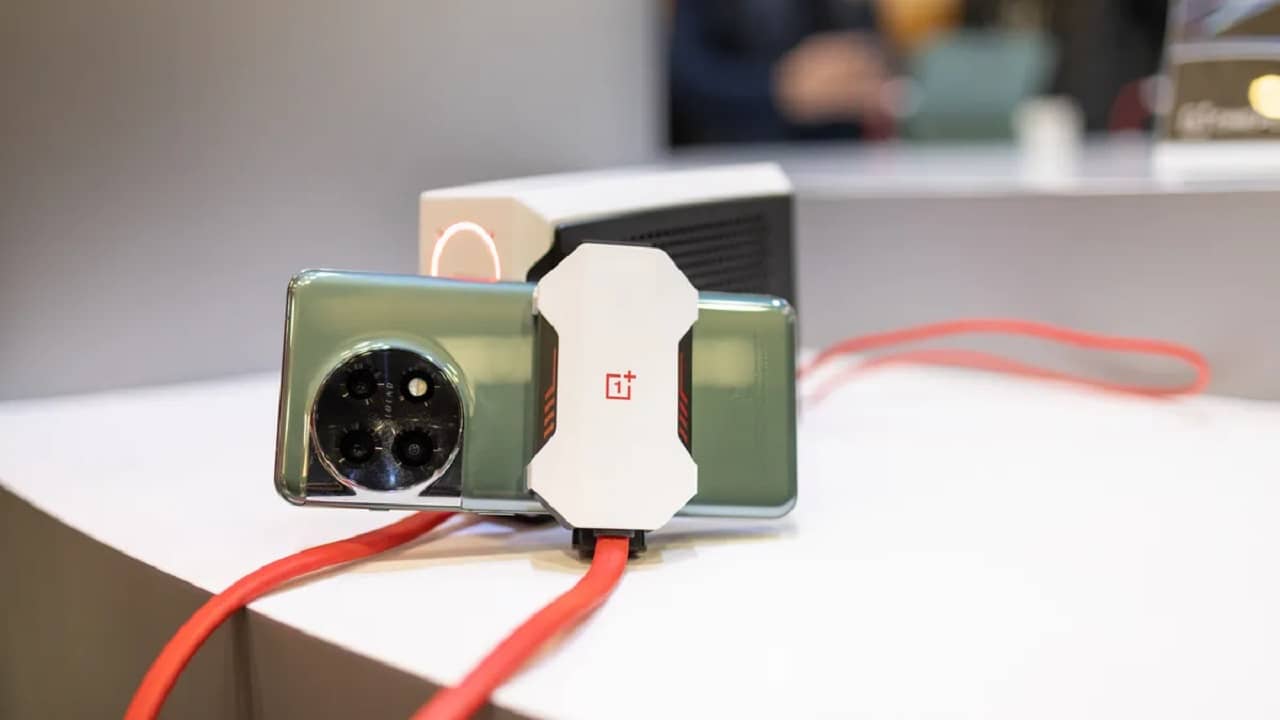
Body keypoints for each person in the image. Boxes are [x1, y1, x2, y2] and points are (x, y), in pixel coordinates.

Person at [668, 0, 893, 144]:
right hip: (724, 158)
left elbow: (868, 58)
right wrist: (779, 89)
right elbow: (685, 81)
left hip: (825, 160)